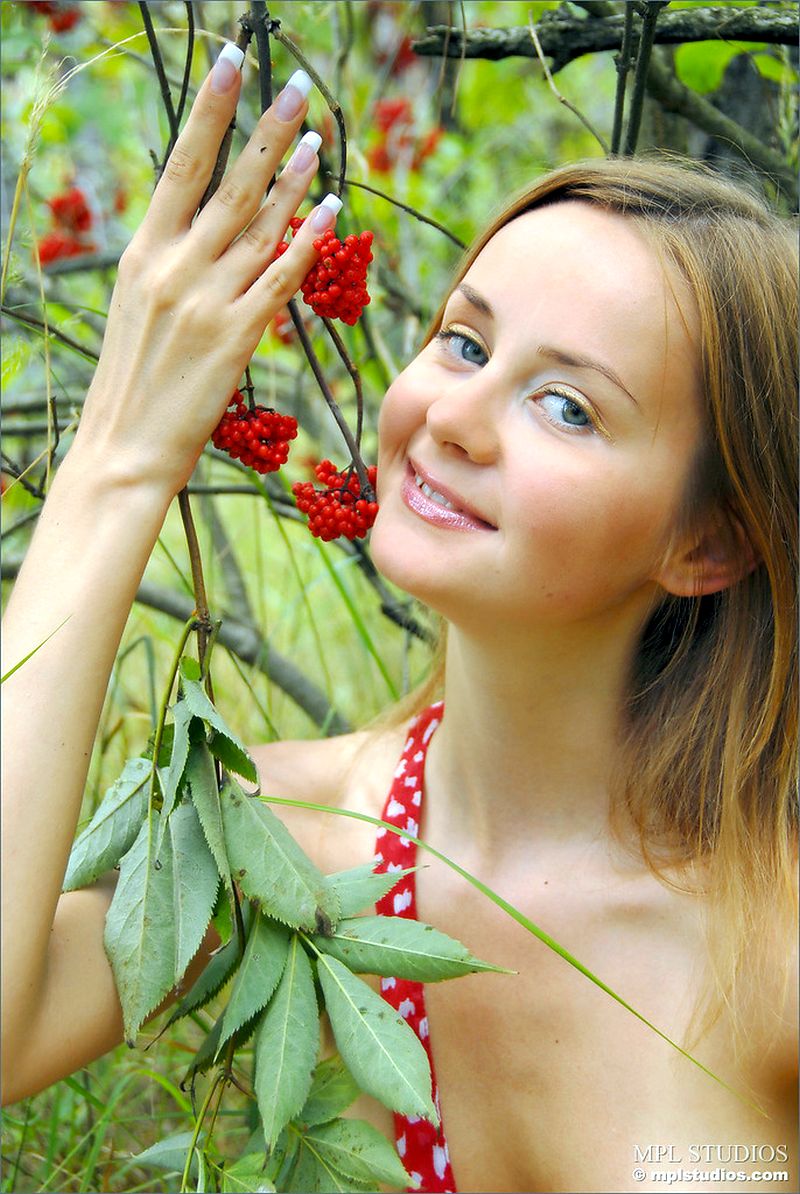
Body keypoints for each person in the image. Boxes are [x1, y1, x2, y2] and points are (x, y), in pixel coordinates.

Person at [2, 40, 797, 1194]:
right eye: (463, 342)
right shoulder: (275, 843)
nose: (455, 417)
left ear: (706, 542)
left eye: (565, 406)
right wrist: (117, 463)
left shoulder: (766, 943)